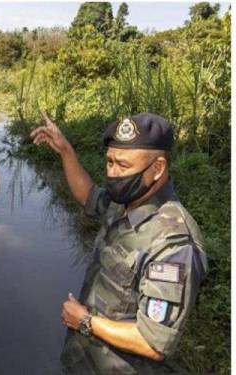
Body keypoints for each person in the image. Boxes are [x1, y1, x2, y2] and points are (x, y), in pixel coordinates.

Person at [31, 112, 207, 373]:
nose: (112, 174)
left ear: (158, 168)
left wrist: (85, 321)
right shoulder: (126, 202)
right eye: (109, 162)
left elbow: (153, 342)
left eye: (123, 166)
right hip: (84, 361)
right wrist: (66, 150)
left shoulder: (173, 243)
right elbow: (88, 195)